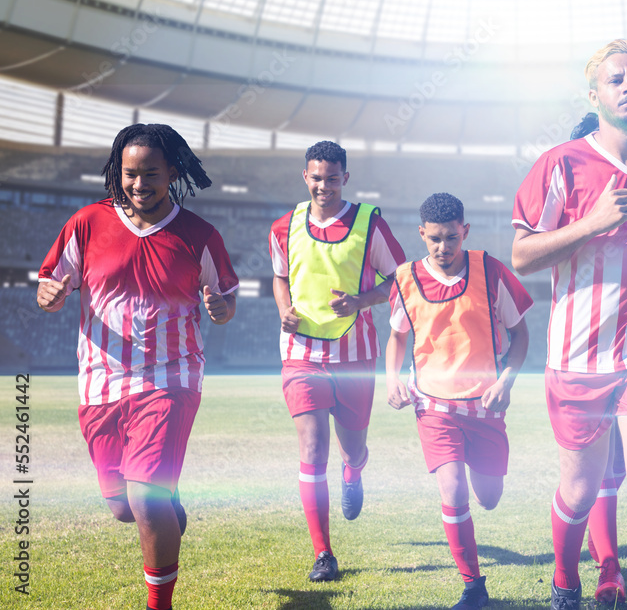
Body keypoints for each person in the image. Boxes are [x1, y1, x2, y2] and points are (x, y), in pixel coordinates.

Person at [511, 39, 627, 610]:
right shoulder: (560, 164)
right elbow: (522, 256)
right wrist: (591, 223)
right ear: (594, 95)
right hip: (577, 358)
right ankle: (566, 579)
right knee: (580, 488)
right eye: (615, 79)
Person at [36, 123, 238, 610]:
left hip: (171, 378)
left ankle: (158, 603)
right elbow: (49, 284)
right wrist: (48, 295)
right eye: (130, 173)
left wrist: (220, 308)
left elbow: (227, 298)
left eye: (151, 172)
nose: (139, 183)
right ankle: (166, 513)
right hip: (100, 384)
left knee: (145, 497)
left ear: (172, 171)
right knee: (124, 508)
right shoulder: (86, 223)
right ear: (116, 171)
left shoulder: (199, 235)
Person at [385, 192, 532, 609]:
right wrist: (391, 377)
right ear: (422, 234)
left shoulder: (490, 269)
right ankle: (473, 587)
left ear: (464, 231)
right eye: (434, 239)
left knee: (488, 497)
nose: (443, 247)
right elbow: (397, 336)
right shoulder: (406, 277)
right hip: (433, 406)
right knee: (452, 491)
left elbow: (521, 335)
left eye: (451, 238)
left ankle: (480, 476)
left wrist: (508, 380)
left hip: (485, 407)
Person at [269, 140, 406, 582]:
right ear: (304, 176)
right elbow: (279, 276)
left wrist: (362, 301)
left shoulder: (370, 223)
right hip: (301, 357)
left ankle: (354, 470)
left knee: (353, 446)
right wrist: (283, 309)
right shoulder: (283, 226)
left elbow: (402, 280)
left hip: (355, 356)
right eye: (316, 177)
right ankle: (323, 553)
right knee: (311, 449)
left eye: (332, 178)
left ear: (345, 178)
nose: (323, 186)